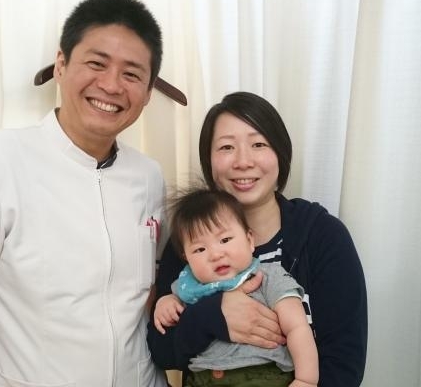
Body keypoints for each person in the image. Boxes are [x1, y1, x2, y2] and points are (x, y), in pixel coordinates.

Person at [0, 0, 168, 387]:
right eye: (96, 63)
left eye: (132, 74)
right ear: (61, 64)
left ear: (148, 92)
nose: (111, 85)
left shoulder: (149, 176)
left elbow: (147, 298)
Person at [147, 91, 368, 387]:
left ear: (280, 153)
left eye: (258, 144)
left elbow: (344, 364)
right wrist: (213, 316)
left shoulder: (323, 235)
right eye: (226, 147)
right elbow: (162, 351)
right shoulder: (191, 241)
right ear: (209, 161)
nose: (243, 161)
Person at [154, 187, 318, 387]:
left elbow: (297, 327)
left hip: (261, 375)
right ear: (186, 258)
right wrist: (166, 302)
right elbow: (169, 323)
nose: (215, 254)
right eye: (200, 249)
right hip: (202, 378)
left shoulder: (267, 276)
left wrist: (305, 379)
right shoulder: (190, 287)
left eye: (225, 240)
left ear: (250, 240)